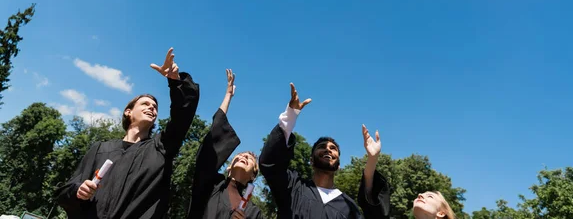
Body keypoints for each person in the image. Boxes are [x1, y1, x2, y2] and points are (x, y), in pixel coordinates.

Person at [54, 47, 200, 219]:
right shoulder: (100, 149)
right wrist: (78, 190)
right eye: (145, 104)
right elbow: (65, 191)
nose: (152, 107)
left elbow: (183, 113)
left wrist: (175, 81)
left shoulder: (161, 148)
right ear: (128, 112)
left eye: (155, 107)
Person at [259, 83, 390, 219]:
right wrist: (290, 116)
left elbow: (375, 213)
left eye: (333, 148)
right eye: (322, 147)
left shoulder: (348, 207)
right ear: (311, 160)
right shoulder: (293, 187)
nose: (328, 149)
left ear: (338, 165)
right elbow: (270, 163)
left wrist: (372, 160)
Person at [187, 69, 263, 219]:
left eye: (250, 159)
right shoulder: (210, 185)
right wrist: (228, 96)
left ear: (253, 176)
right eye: (240, 155)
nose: (244, 157)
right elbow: (212, 142)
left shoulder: (253, 212)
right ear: (229, 167)